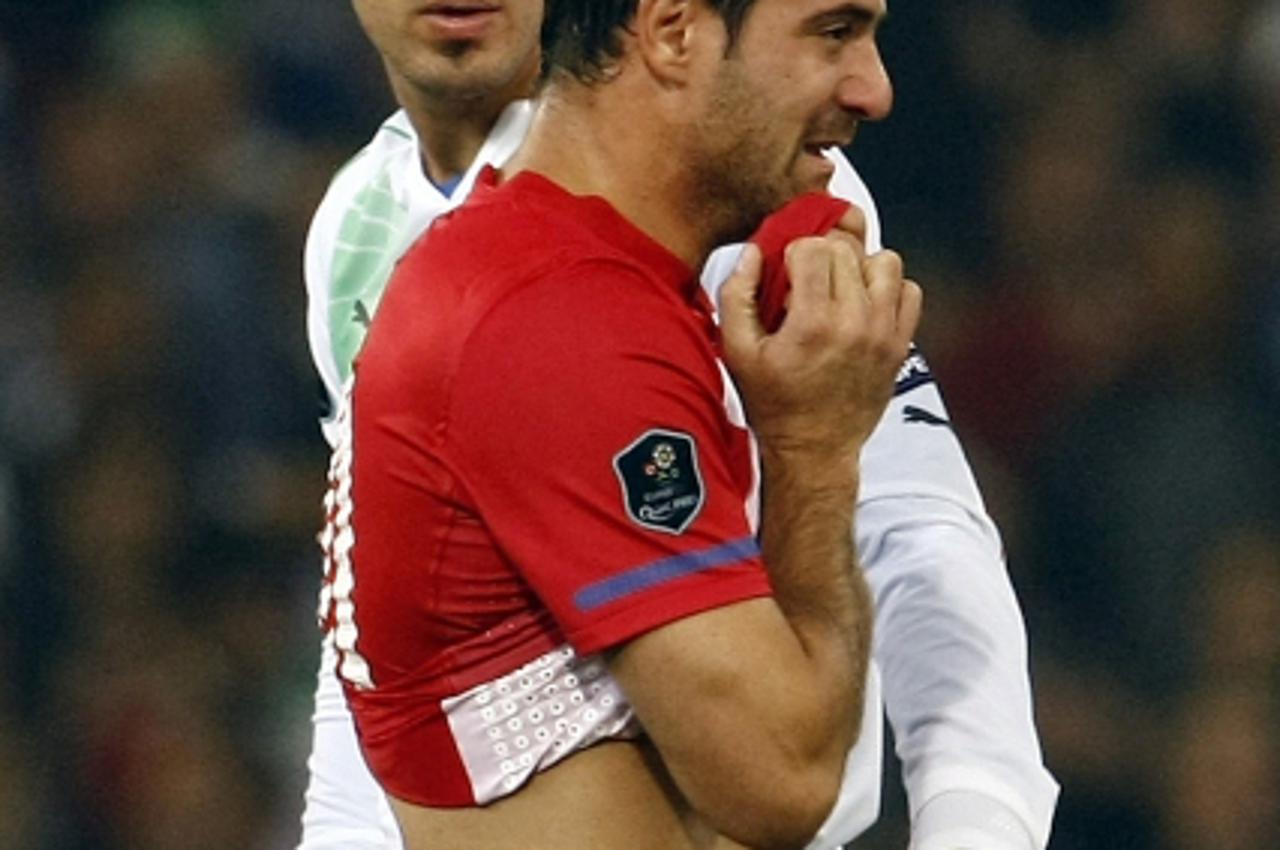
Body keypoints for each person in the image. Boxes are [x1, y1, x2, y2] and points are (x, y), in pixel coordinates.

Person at [301, 1, 1058, 848]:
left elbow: (920, 524)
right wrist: (812, 449)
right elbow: (784, 781)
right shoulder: (541, 312)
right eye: (833, 31)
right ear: (671, 32)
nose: (876, 90)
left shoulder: (593, 260)